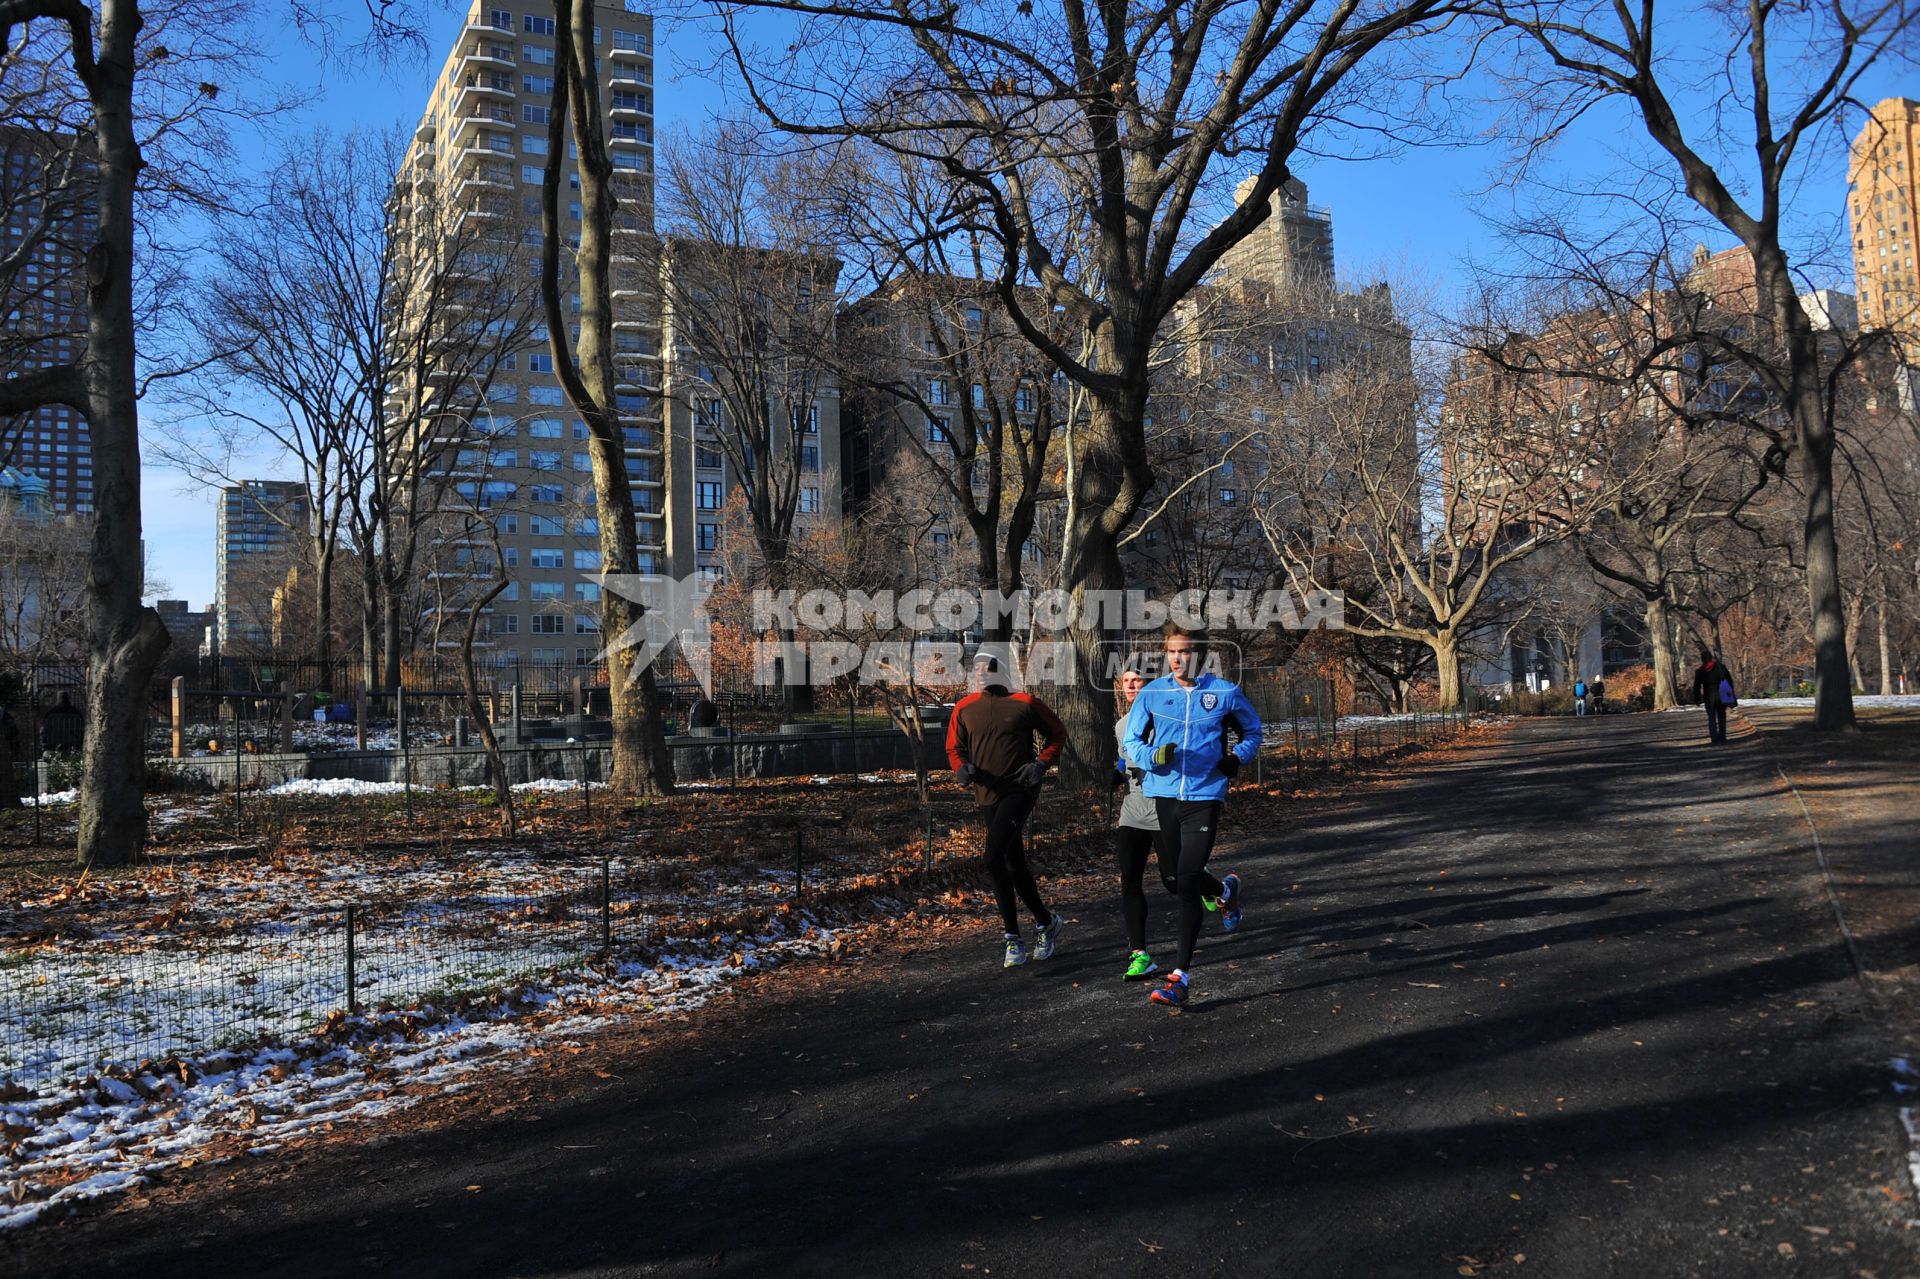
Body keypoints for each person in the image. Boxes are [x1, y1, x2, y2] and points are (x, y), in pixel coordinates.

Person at [1122, 625, 1264, 1008]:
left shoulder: (1224, 693)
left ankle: (1179, 977)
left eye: (1184, 652)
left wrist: (1237, 759)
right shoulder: (1153, 694)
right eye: (1171, 652)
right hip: (1164, 795)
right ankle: (1224, 892)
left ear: (1201, 655)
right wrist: (1153, 757)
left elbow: (1253, 731)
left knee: (1185, 881)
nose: (1177, 659)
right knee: (1173, 877)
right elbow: (1131, 741)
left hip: (1205, 795)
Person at [946, 654, 1068, 968]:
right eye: (976, 670)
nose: (982, 675)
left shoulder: (1025, 702)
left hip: (1020, 788)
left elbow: (1058, 734)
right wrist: (961, 769)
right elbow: (954, 747)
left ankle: (1012, 938)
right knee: (1012, 863)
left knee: (992, 858)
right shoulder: (964, 707)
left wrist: (1041, 764)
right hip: (988, 792)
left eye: (989, 669)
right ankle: (1046, 922)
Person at [1112, 667, 1203, 982]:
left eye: (1137, 680)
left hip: (1166, 809)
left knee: (1174, 881)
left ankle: (1212, 887)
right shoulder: (1121, 725)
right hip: (1133, 810)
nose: (1131, 686)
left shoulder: (1170, 719)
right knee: (1130, 881)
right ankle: (1140, 954)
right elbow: (1124, 758)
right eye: (1126, 681)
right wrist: (1118, 770)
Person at [1691, 649, 1737, 744]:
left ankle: (1714, 739)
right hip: (1721, 695)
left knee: (1711, 718)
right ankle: (1722, 737)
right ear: (1711, 657)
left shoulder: (1700, 671)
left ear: (1702, 660)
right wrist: (1730, 693)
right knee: (1721, 717)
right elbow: (1729, 681)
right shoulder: (1720, 667)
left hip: (1709, 697)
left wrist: (1697, 699)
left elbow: (1697, 686)